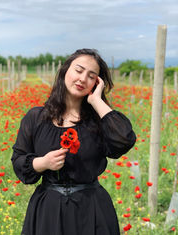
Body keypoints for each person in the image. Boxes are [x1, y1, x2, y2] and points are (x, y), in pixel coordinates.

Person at [11, 48, 136, 235]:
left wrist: (97, 101)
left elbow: (124, 139)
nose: (82, 79)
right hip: (48, 210)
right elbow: (19, 160)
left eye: (91, 76)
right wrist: (43, 163)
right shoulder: (36, 117)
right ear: (65, 71)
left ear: (96, 83)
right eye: (79, 70)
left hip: (91, 209)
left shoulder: (98, 121)